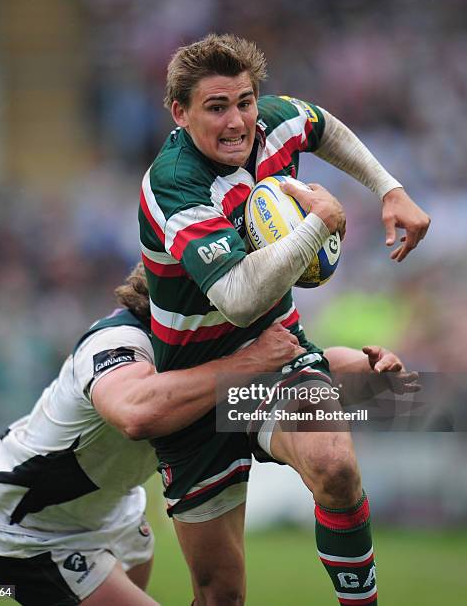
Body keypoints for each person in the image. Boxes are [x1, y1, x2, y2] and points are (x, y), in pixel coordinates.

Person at [138, 33, 429, 605]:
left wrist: (389, 189)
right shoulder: (175, 184)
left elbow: (322, 126)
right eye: (216, 107)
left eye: (244, 102)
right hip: (198, 389)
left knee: (334, 466)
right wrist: (318, 224)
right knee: (221, 595)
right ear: (180, 111)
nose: (237, 122)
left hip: (277, 357)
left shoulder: (269, 121)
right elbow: (237, 296)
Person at [0, 263, 415, 605]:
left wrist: (365, 374)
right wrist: (249, 363)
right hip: (31, 522)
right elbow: (136, 412)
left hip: (115, 507)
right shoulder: (116, 342)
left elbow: (294, 368)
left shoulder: (209, 344)